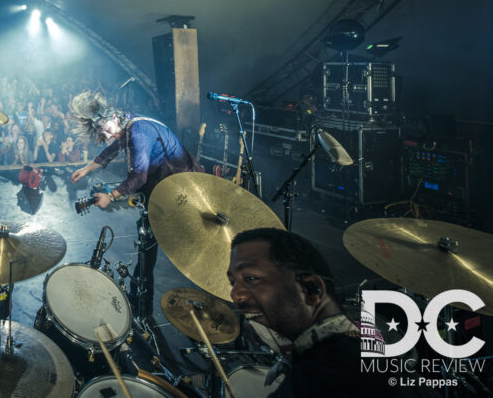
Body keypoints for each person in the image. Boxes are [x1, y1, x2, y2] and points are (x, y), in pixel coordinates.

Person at [227, 228, 424, 397]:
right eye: (233, 282)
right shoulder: (350, 351)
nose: (235, 294)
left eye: (251, 279)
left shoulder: (319, 376)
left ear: (311, 289)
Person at [69, 90, 202, 317]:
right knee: (147, 239)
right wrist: (87, 168)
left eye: (103, 126)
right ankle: (140, 297)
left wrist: (111, 196)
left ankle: (143, 303)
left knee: (153, 240)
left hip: (178, 187)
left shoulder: (138, 132)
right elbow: (114, 148)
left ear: (113, 116)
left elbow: (139, 177)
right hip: (162, 184)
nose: (104, 132)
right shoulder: (129, 123)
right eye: (99, 130)